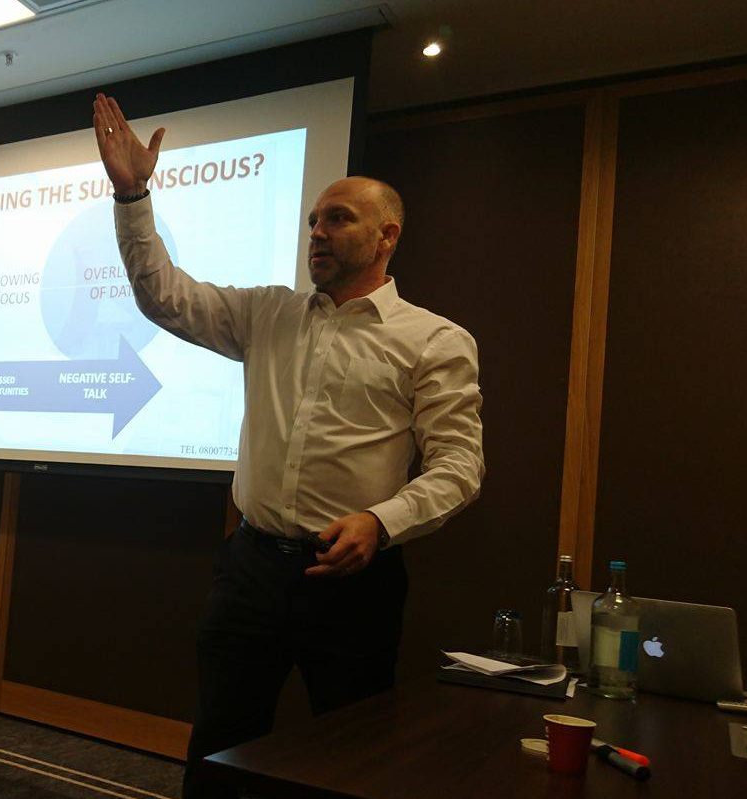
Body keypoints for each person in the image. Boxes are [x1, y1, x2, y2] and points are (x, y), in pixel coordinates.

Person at [92, 93, 485, 798]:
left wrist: (381, 521)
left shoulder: (434, 339)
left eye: (339, 218)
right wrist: (132, 194)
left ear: (387, 235)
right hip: (250, 570)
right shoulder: (267, 313)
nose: (318, 232)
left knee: (354, 756)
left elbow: (460, 467)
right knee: (219, 745)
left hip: (353, 584)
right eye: (313, 220)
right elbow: (163, 296)